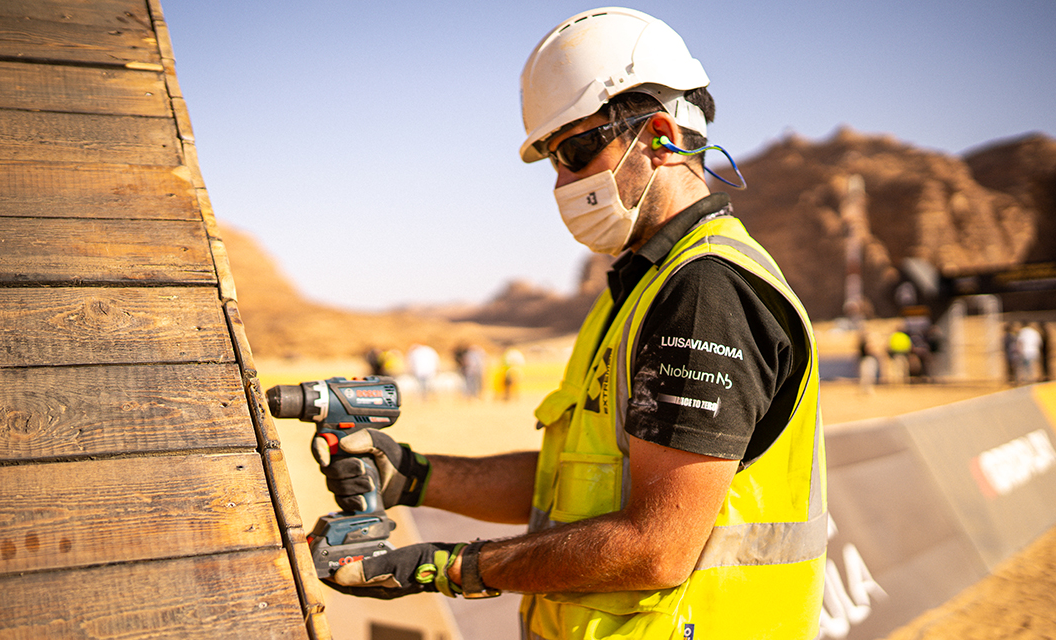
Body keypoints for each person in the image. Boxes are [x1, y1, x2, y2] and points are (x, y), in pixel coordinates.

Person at [313, 8, 826, 638]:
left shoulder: (705, 291)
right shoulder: (637, 290)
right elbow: (572, 482)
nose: (561, 180)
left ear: (661, 135)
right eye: (552, 158)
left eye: (577, 149)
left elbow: (655, 545)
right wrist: (416, 475)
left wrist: (444, 568)